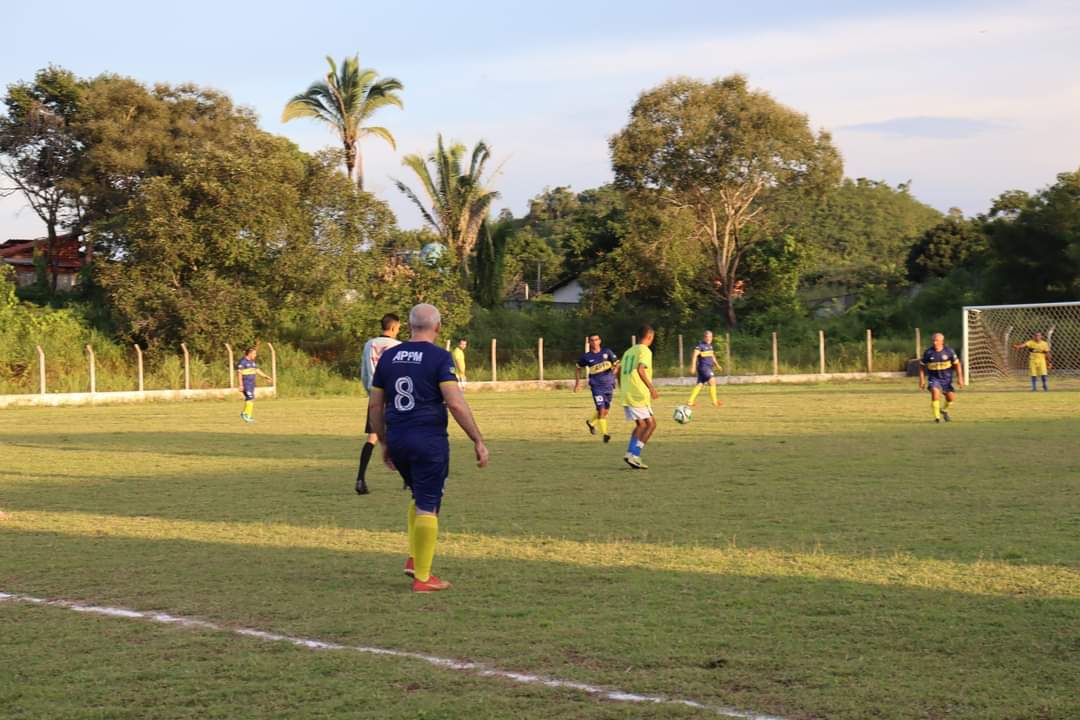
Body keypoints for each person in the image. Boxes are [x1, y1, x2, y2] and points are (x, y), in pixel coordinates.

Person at [368, 304, 489, 593]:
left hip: (398, 437)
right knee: (429, 503)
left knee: (419, 494)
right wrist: (477, 439)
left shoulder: (388, 357)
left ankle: (414, 558)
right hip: (428, 440)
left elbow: (374, 405)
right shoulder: (439, 357)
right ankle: (423, 578)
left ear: (410, 327)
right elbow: (455, 403)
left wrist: (384, 442)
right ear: (437, 327)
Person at [355, 313, 402, 495]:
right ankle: (408, 479)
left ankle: (360, 479)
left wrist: (371, 393)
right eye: (398, 328)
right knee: (403, 435)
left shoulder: (369, 345)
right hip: (394, 397)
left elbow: (364, 373)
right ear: (393, 327)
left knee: (372, 437)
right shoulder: (398, 346)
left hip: (375, 396)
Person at [619, 325, 660, 469]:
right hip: (638, 393)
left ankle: (630, 454)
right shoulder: (645, 351)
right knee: (650, 424)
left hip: (627, 392)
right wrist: (651, 387)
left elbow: (618, 370)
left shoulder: (629, 351)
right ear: (649, 336)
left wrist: (622, 387)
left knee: (642, 424)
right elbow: (641, 369)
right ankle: (635, 455)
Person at [574, 334, 620, 443]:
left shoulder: (607, 352)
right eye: (592, 340)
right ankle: (605, 434)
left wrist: (614, 374)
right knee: (601, 409)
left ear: (600, 341)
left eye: (596, 340)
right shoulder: (586, 357)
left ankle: (591, 423)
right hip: (596, 386)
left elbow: (617, 364)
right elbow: (577, 368)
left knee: (605, 411)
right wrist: (577, 383)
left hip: (608, 385)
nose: (594, 342)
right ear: (589, 343)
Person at [918, 333, 964, 423]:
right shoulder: (928, 352)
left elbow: (957, 365)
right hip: (934, 378)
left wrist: (960, 378)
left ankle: (944, 410)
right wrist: (922, 380)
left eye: (937, 341)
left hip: (947, 379)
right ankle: (937, 418)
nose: (934, 342)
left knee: (950, 398)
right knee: (935, 392)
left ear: (942, 341)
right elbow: (921, 365)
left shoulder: (949, 351)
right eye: (933, 341)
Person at [236, 347, 273, 423]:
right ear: (249, 353)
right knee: (250, 397)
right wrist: (241, 385)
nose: (255, 355)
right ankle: (245, 414)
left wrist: (265, 376)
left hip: (251, 384)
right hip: (246, 383)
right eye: (254, 353)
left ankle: (248, 416)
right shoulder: (242, 362)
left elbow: (257, 370)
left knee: (251, 399)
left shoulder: (252, 362)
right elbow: (239, 373)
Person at [687, 330, 722, 408]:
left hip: (707, 367)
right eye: (707, 337)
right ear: (704, 337)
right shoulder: (700, 346)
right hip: (704, 368)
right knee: (712, 381)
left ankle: (690, 401)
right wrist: (693, 366)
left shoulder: (710, 346)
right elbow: (694, 356)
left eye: (711, 337)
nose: (709, 338)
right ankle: (715, 402)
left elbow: (712, 356)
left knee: (700, 384)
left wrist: (717, 365)